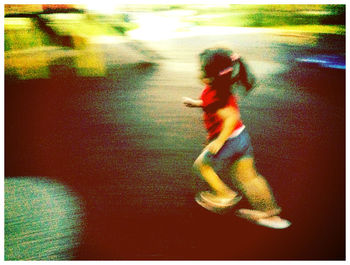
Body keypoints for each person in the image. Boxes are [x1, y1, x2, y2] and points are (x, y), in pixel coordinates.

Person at [182, 47, 290, 229]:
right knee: (248, 177)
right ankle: (270, 214)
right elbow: (214, 106)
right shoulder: (220, 89)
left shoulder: (214, 92)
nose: (198, 72)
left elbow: (231, 117)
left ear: (210, 77)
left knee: (202, 166)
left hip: (229, 140)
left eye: (201, 69)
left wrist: (219, 140)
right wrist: (196, 103)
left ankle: (225, 195)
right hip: (241, 138)